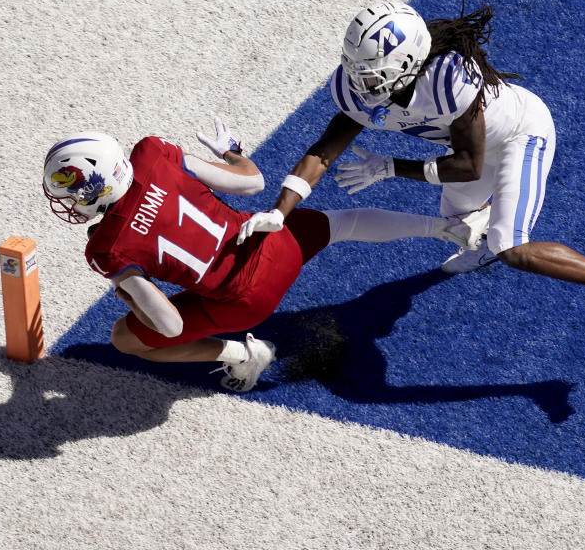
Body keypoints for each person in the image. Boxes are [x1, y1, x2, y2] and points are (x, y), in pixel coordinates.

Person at [237, 1, 585, 342]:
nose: (359, 83)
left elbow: (466, 166)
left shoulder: (449, 79)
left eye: (371, 75)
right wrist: (281, 211)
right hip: (465, 153)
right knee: (459, 225)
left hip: (520, 136)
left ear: (406, 66)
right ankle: (480, 237)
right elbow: (323, 151)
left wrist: (390, 168)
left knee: (511, 247)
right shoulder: (363, 87)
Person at [42, 120, 482, 392]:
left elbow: (170, 324)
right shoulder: (153, 155)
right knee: (343, 223)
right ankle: (446, 228)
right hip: (271, 241)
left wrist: (129, 291)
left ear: (90, 191)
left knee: (125, 337)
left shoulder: (106, 249)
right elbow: (252, 183)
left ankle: (241, 355)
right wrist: (231, 151)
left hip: (244, 301)